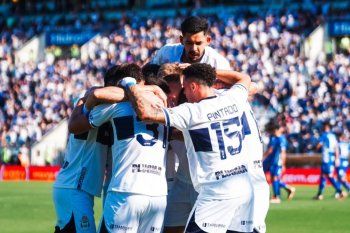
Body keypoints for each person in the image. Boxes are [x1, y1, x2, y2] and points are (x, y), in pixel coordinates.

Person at [123, 63, 254, 233]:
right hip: (244, 187)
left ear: (193, 86)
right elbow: (244, 78)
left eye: (185, 88)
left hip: (216, 192)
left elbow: (146, 113)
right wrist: (206, 71)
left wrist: (130, 86)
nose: (184, 93)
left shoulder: (191, 112)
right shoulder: (233, 98)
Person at [69, 63, 169, 233]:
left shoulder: (114, 106)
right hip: (158, 195)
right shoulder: (162, 104)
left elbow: (78, 123)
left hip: (126, 191)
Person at [52, 67, 116, 233]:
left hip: (78, 187)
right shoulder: (99, 105)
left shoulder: (100, 106)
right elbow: (93, 93)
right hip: (74, 187)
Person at [263, 122, 295, 204]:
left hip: (278, 162)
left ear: (276, 130)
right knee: (273, 178)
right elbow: (270, 149)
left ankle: (277, 197)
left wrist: (283, 164)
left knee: (275, 178)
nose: (272, 132)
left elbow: (283, 152)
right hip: (272, 161)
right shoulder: (274, 138)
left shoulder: (281, 139)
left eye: (273, 131)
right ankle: (287, 189)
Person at [313, 121, 345, 200]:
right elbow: (336, 148)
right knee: (323, 176)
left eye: (323, 126)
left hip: (326, 158)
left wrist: (314, 147)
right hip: (331, 157)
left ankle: (340, 191)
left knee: (329, 175)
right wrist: (337, 158)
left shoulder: (324, 135)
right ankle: (320, 194)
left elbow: (319, 145)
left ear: (326, 126)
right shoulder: (333, 136)